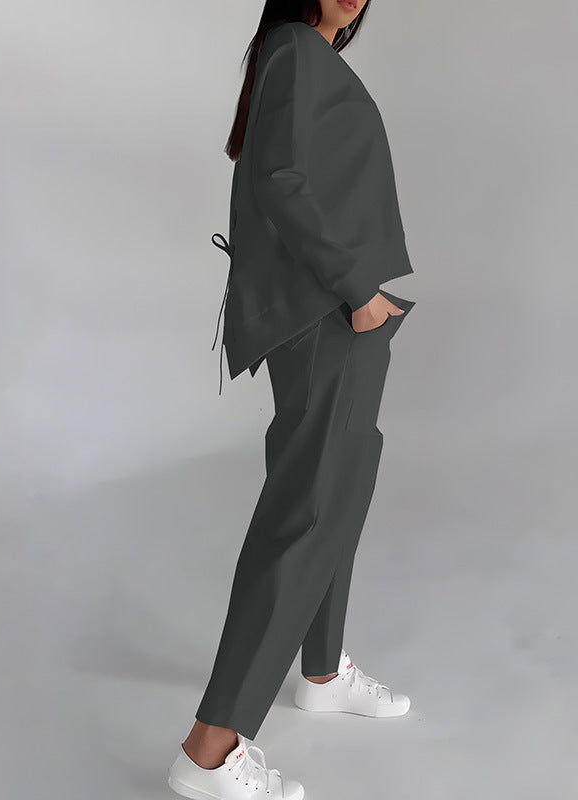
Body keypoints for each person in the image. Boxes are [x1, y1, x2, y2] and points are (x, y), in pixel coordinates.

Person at [168, 3, 417, 798]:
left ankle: (322, 669)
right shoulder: (297, 48)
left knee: (336, 491)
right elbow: (278, 177)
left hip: (334, 310)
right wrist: (358, 290)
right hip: (328, 311)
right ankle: (209, 749)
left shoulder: (304, 56)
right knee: (306, 512)